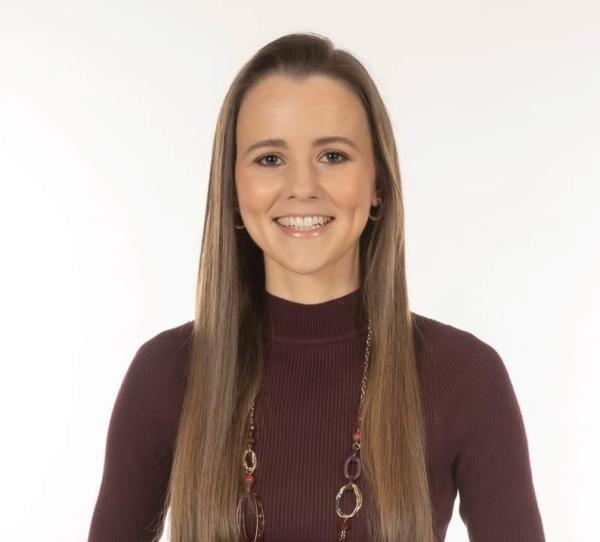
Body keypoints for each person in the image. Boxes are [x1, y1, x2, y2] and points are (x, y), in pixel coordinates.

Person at [88, 32, 546, 542]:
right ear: (233, 189)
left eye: (332, 156)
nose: (302, 186)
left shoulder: (464, 376)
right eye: (269, 159)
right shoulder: (167, 374)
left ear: (377, 183)